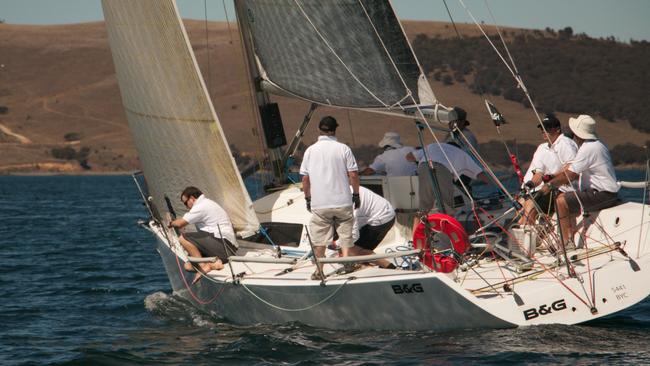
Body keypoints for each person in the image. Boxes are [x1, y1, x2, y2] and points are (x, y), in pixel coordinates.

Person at [539, 115, 620, 249]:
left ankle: (566, 243)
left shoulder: (588, 148)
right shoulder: (599, 144)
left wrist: (549, 185)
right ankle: (568, 236)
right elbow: (572, 171)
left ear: (578, 134)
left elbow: (570, 175)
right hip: (606, 193)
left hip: (603, 195)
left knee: (561, 201)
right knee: (566, 198)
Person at [300, 116, 360, 279]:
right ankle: (347, 263)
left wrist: (308, 198)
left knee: (320, 239)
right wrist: (356, 194)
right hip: (343, 201)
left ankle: (319, 270)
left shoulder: (310, 151)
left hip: (320, 204)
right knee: (345, 233)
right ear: (335, 130)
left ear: (319, 130)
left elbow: (305, 179)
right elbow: (353, 174)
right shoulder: (343, 149)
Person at [406, 142, 489, 229]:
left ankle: (416, 238)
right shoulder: (461, 153)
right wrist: (498, 186)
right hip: (442, 170)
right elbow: (480, 174)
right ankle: (446, 239)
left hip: (423, 167)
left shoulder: (434, 145)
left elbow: (408, 157)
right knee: (446, 208)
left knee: (423, 209)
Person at [169, 186, 238, 284]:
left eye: (185, 203)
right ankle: (213, 265)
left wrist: (171, 223)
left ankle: (204, 267)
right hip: (226, 249)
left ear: (192, 198)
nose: (186, 206)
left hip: (224, 247)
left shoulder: (201, 206)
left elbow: (180, 223)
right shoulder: (207, 203)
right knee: (187, 266)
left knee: (183, 238)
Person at [519, 114, 578, 225]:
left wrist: (552, 176)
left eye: (547, 128)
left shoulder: (566, 143)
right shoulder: (543, 148)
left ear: (557, 129)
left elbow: (572, 167)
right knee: (522, 204)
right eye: (542, 128)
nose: (543, 131)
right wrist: (530, 184)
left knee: (530, 204)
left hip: (562, 189)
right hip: (546, 189)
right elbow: (538, 173)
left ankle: (525, 235)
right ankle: (522, 234)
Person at [348, 186, 397, 269]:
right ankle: (366, 265)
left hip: (382, 218)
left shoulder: (349, 202)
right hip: (378, 213)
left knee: (352, 250)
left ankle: (389, 267)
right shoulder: (346, 189)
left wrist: (339, 244)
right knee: (351, 249)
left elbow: (354, 233)